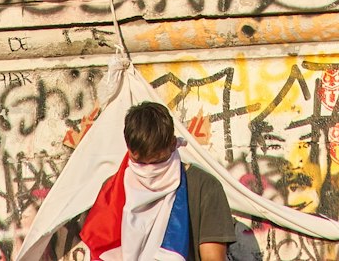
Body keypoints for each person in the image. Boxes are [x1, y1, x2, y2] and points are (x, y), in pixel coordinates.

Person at [81, 102, 236, 261]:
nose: (148, 171)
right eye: (140, 163)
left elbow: (213, 257)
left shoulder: (204, 187)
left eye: (157, 162)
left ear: (173, 144)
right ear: (128, 148)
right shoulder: (112, 189)